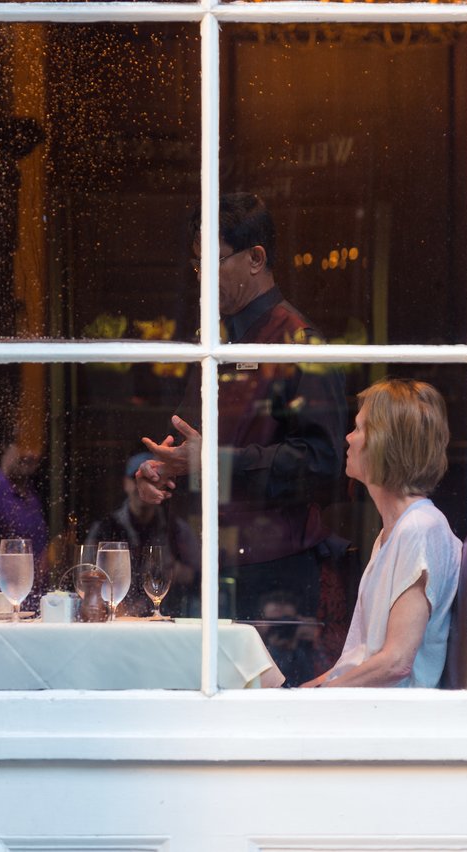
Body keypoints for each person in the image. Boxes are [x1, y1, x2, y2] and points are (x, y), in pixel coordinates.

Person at [135, 192, 348, 621]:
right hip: (200, 571)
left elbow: (324, 464)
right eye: (197, 265)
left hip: (275, 578)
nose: (201, 277)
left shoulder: (299, 343)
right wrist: (160, 471)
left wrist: (214, 464)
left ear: (255, 258)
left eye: (212, 262)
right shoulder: (216, 343)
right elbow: (192, 445)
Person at [302, 379, 459, 688]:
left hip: (388, 717)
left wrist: (321, 696)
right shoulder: (396, 530)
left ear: (384, 442)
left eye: (358, 428)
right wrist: (316, 686)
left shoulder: (419, 529)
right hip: (371, 707)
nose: (348, 437)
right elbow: (366, 656)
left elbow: (396, 662)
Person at [85, 451, 201, 616]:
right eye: (137, 479)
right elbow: (87, 577)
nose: (143, 487)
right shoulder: (104, 529)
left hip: (167, 622)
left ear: (163, 486)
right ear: (126, 483)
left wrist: (176, 572)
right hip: (118, 623)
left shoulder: (177, 530)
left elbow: (202, 579)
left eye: (152, 480)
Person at [0, 439, 49, 605]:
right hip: (4, 604)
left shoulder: (31, 496)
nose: (30, 454)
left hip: (35, 603)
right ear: (6, 451)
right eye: (23, 447)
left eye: (35, 448)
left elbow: (40, 544)